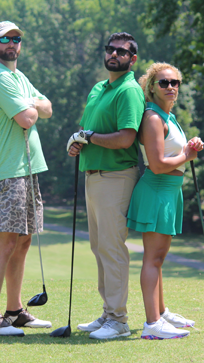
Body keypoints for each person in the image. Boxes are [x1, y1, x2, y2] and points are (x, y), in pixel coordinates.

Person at [67, 32, 145, 340]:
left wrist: (88, 137)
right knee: (99, 247)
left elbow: (126, 137)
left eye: (122, 52)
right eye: (110, 50)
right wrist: (79, 144)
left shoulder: (128, 90)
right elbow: (91, 133)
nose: (114, 54)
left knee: (112, 248)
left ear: (132, 59)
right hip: (94, 174)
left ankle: (119, 321)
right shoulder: (99, 88)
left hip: (116, 176)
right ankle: (108, 313)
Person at [0, 21, 53, 337]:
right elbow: (27, 117)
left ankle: (14, 311)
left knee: (23, 242)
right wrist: (31, 106)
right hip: (7, 172)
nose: (12, 43)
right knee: (7, 241)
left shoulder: (18, 77)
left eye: (17, 38)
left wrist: (31, 105)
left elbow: (46, 108)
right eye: (5, 39)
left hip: (28, 170)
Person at [126, 62, 204, 339]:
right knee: (153, 258)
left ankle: (161, 312)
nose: (171, 87)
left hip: (169, 191)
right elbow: (158, 164)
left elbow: (175, 150)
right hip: (158, 188)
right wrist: (188, 156)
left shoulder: (168, 117)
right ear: (151, 88)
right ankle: (152, 324)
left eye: (175, 83)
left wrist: (189, 144)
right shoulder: (153, 118)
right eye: (164, 83)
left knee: (159, 258)